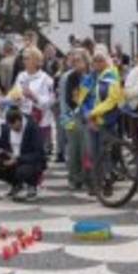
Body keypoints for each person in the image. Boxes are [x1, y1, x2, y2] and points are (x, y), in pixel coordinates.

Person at [82, 47, 125, 196]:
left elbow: (112, 100)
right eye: (95, 60)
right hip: (90, 122)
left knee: (105, 154)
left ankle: (107, 183)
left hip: (106, 121)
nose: (98, 63)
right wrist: (88, 114)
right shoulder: (88, 78)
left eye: (101, 60)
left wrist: (94, 113)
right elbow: (82, 99)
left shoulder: (112, 76)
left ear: (106, 61)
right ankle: (96, 183)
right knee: (93, 154)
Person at [0, 107, 46, 200]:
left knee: (22, 171)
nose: (12, 129)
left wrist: (17, 159)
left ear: (19, 121)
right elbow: (0, 146)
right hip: (11, 159)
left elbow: (39, 154)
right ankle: (15, 184)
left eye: (14, 126)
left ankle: (32, 185)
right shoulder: (6, 128)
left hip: (28, 162)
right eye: (9, 126)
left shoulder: (32, 128)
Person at [12, 47, 55, 157]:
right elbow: (15, 94)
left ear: (37, 61)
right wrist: (16, 98)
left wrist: (34, 97)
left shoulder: (46, 79)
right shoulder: (21, 76)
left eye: (27, 58)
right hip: (23, 118)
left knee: (38, 152)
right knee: (23, 150)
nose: (24, 61)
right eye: (23, 58)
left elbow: (49, 101)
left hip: (40, 120)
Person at [61, 49, 92, 191]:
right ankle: (73, 177)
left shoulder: (92, 76)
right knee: (73, 148)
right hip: (71, 115)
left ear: (86, 61)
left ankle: (86, 177)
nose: (76, 63)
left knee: (86, 148)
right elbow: (69, 99)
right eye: (74, 61)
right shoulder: (70, 77)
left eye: (79, 60)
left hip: (88, 114)